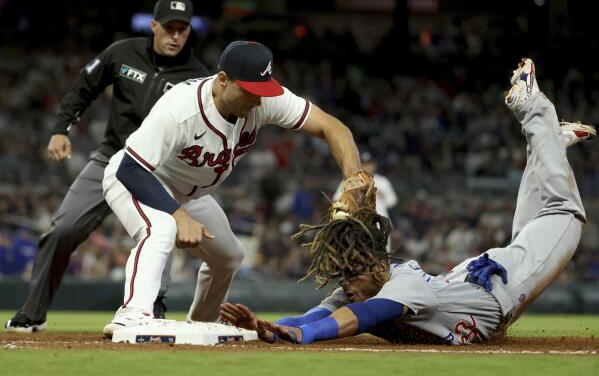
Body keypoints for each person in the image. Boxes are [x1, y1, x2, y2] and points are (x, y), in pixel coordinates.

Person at [220, 58, 596, 345]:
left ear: (377, 265)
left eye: (352, 273)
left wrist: (299, 337)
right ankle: (551, 142)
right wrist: (265, 329)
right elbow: (309, 318)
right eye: (345, 274)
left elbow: (363, 316)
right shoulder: (360, 285)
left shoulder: (400, 285)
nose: (346, 283)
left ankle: (533, 109)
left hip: (503, 286)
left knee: (564, 213)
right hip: (474, 280)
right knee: (538, 223)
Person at [101, 40, 364, 337]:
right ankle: (132, 315)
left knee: (229, 256)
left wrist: (353, 179)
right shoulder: (180, 108)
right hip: (139, 178)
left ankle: (202, 325)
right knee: (161, 227)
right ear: (223, 79)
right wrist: (178, 215)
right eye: (250, 90)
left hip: (190, 193)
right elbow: (131, 169)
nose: (257, 99)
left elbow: (334, 128)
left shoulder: (264, 98)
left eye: (262, 90)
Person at [5, 0, 210, 333]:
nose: (175, 36)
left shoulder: (197, 77)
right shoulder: (122, 52)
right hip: (112, 156)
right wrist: (60, 130)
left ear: (189, 31)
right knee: (64, 228)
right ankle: (33, 311)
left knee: (160, 231)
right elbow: (83, 88)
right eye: (169, 28)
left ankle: (153, 307)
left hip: (159, 170)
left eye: (182, 29)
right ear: (153, 26)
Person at [333, 151, 397, 251]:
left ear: (374, 164)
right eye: (364, 163)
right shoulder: (352, 181)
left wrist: (382, 196)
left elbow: (392, 202)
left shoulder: (383, 181)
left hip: (381, 224)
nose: (367, 166)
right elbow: (336, 200)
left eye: (369, 163)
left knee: (383, 255)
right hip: (358, 224)